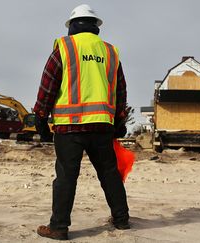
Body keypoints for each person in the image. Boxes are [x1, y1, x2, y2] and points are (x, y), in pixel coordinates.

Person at [33, 4, 129, 240]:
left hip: (69, 128)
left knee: (66, 176)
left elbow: (48, 84)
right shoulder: (110, 52)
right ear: (96, 27)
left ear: (72, 26)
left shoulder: (64, 48)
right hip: (102, 127)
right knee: (109, 173)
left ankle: (59, 227)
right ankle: (122, 220)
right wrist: (119, 120)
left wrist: (39, 117)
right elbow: (120, 90)